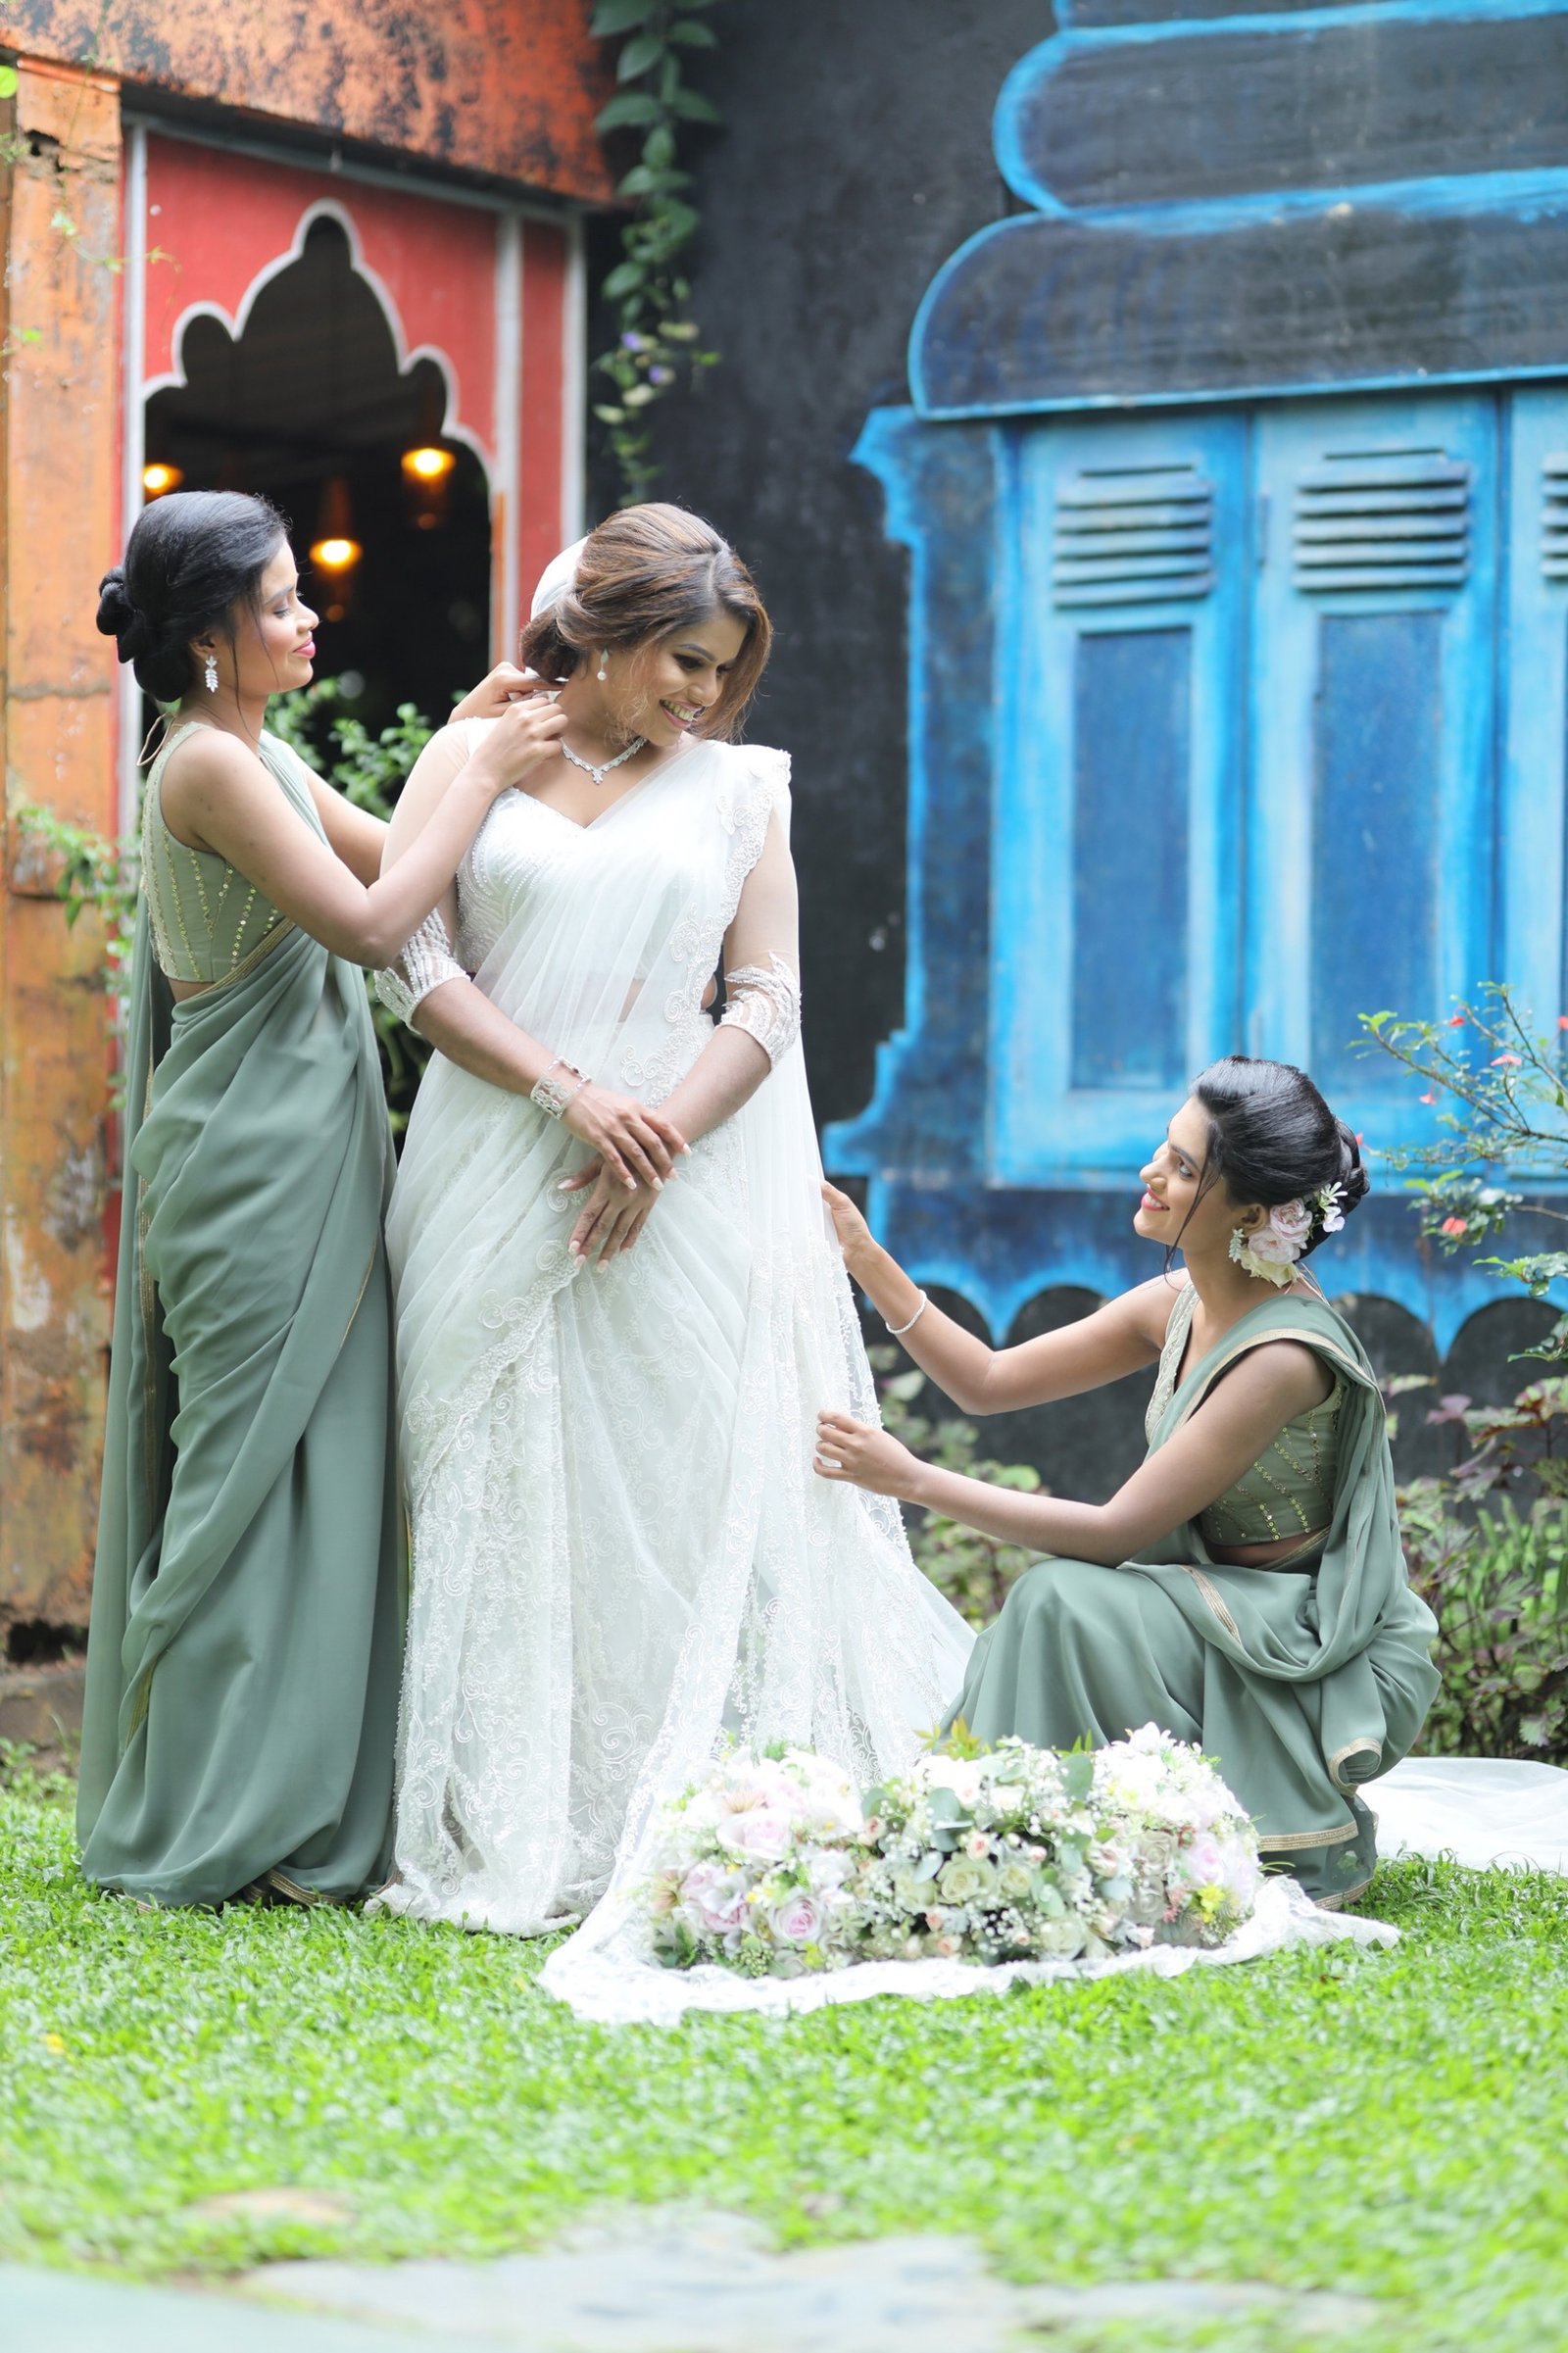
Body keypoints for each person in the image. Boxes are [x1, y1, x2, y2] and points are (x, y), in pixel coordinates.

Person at [370, 503, 971, 1936]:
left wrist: (658, 1138)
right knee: (488, 1467)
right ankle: (497, 1807)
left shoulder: (740, 790)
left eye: (722, 668)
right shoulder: (474, 751)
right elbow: (413, 959)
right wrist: (567, 1093)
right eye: (684, 660)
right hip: (489, 1152)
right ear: (604, 631)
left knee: (669, 1479)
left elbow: (768, 995)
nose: (704, 693)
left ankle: (672, 1796)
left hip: (673, 1178)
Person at [77, 488, 566, 1908]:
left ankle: (286, 1799)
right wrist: (480, 771)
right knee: (241, 1480)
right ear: (210, 634)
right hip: (249, 1164)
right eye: (283, 602)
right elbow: (370, 921)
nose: (308, 619)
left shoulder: (259, 753)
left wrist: (465, 738)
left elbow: (394, 849)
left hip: (301, 1150)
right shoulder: (205, 768)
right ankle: (205, 1807)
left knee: (316, 1469)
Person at [814, 1057, 1443, 1908]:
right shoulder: (1178, 1300)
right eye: (1165, 1148)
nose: (1151, 1172)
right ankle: (985, 1839)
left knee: (1057, 1600)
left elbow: (1115, 1533)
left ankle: (996, 1841)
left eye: (1183, 1167)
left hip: (1288, 1639)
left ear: (1251, 1214)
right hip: (1209, 1604)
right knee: (1056, 1601)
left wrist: (911, 1478)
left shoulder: (1283, 1357)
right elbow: (988, 1381)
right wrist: (863, 1255)